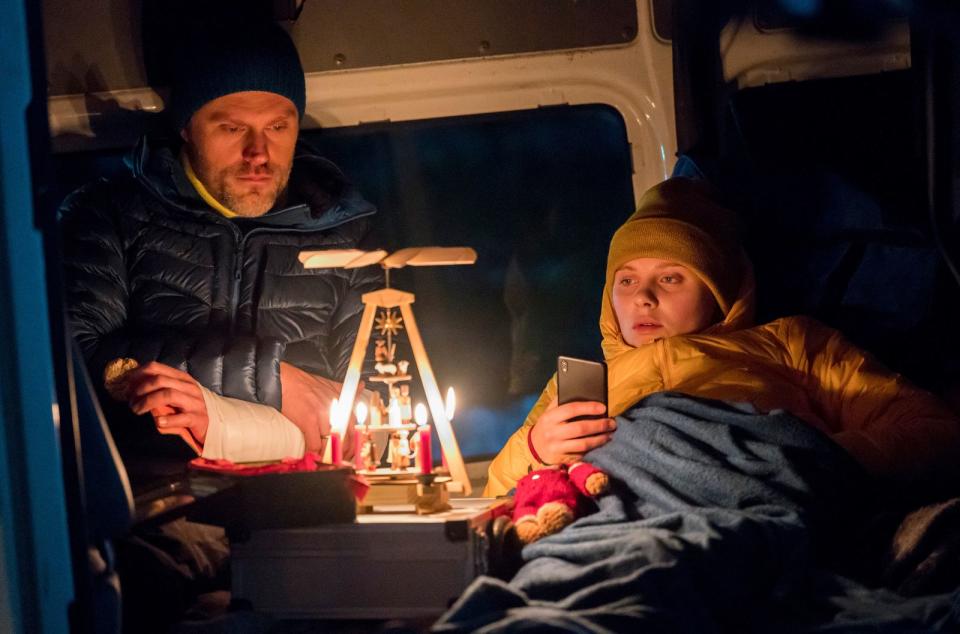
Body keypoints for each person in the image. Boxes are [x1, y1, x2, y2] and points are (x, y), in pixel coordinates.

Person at [484, 177, 960, 497]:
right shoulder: (583, 384)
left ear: (720, 291)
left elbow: (934, 432)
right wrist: (536, 451)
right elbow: (496, 496)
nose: (642, 298)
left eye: (671, 278)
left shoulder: (791, 344)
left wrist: (805, 460)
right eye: (626, 280)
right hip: (626, 515)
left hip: (766, 504)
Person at [59, 21, 378, 475]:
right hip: (156, 491)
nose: (258, 152)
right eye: (231, 128)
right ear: (187, 128)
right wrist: (273, 381)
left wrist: (229, 408)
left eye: (278, 126)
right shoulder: (110, 215)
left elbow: (376, 403)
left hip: (305, 494)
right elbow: (78, 359)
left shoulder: (349, 238)